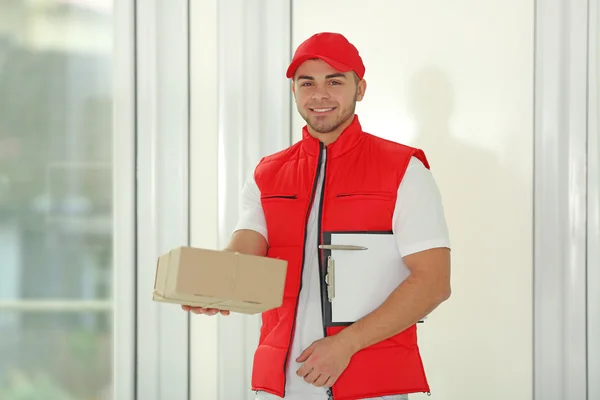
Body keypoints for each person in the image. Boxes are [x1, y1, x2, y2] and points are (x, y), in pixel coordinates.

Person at [182, 32, 452, 400]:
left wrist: (345, 345)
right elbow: (244, 253)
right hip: (281, 381)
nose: (319, 95)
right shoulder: (267, 173)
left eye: (335, 81)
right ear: (293, 90)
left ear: (360, 89)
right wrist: (213, 288)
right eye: (306, 83)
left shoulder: (403, 170)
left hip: (368, 382)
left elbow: (433, 282)